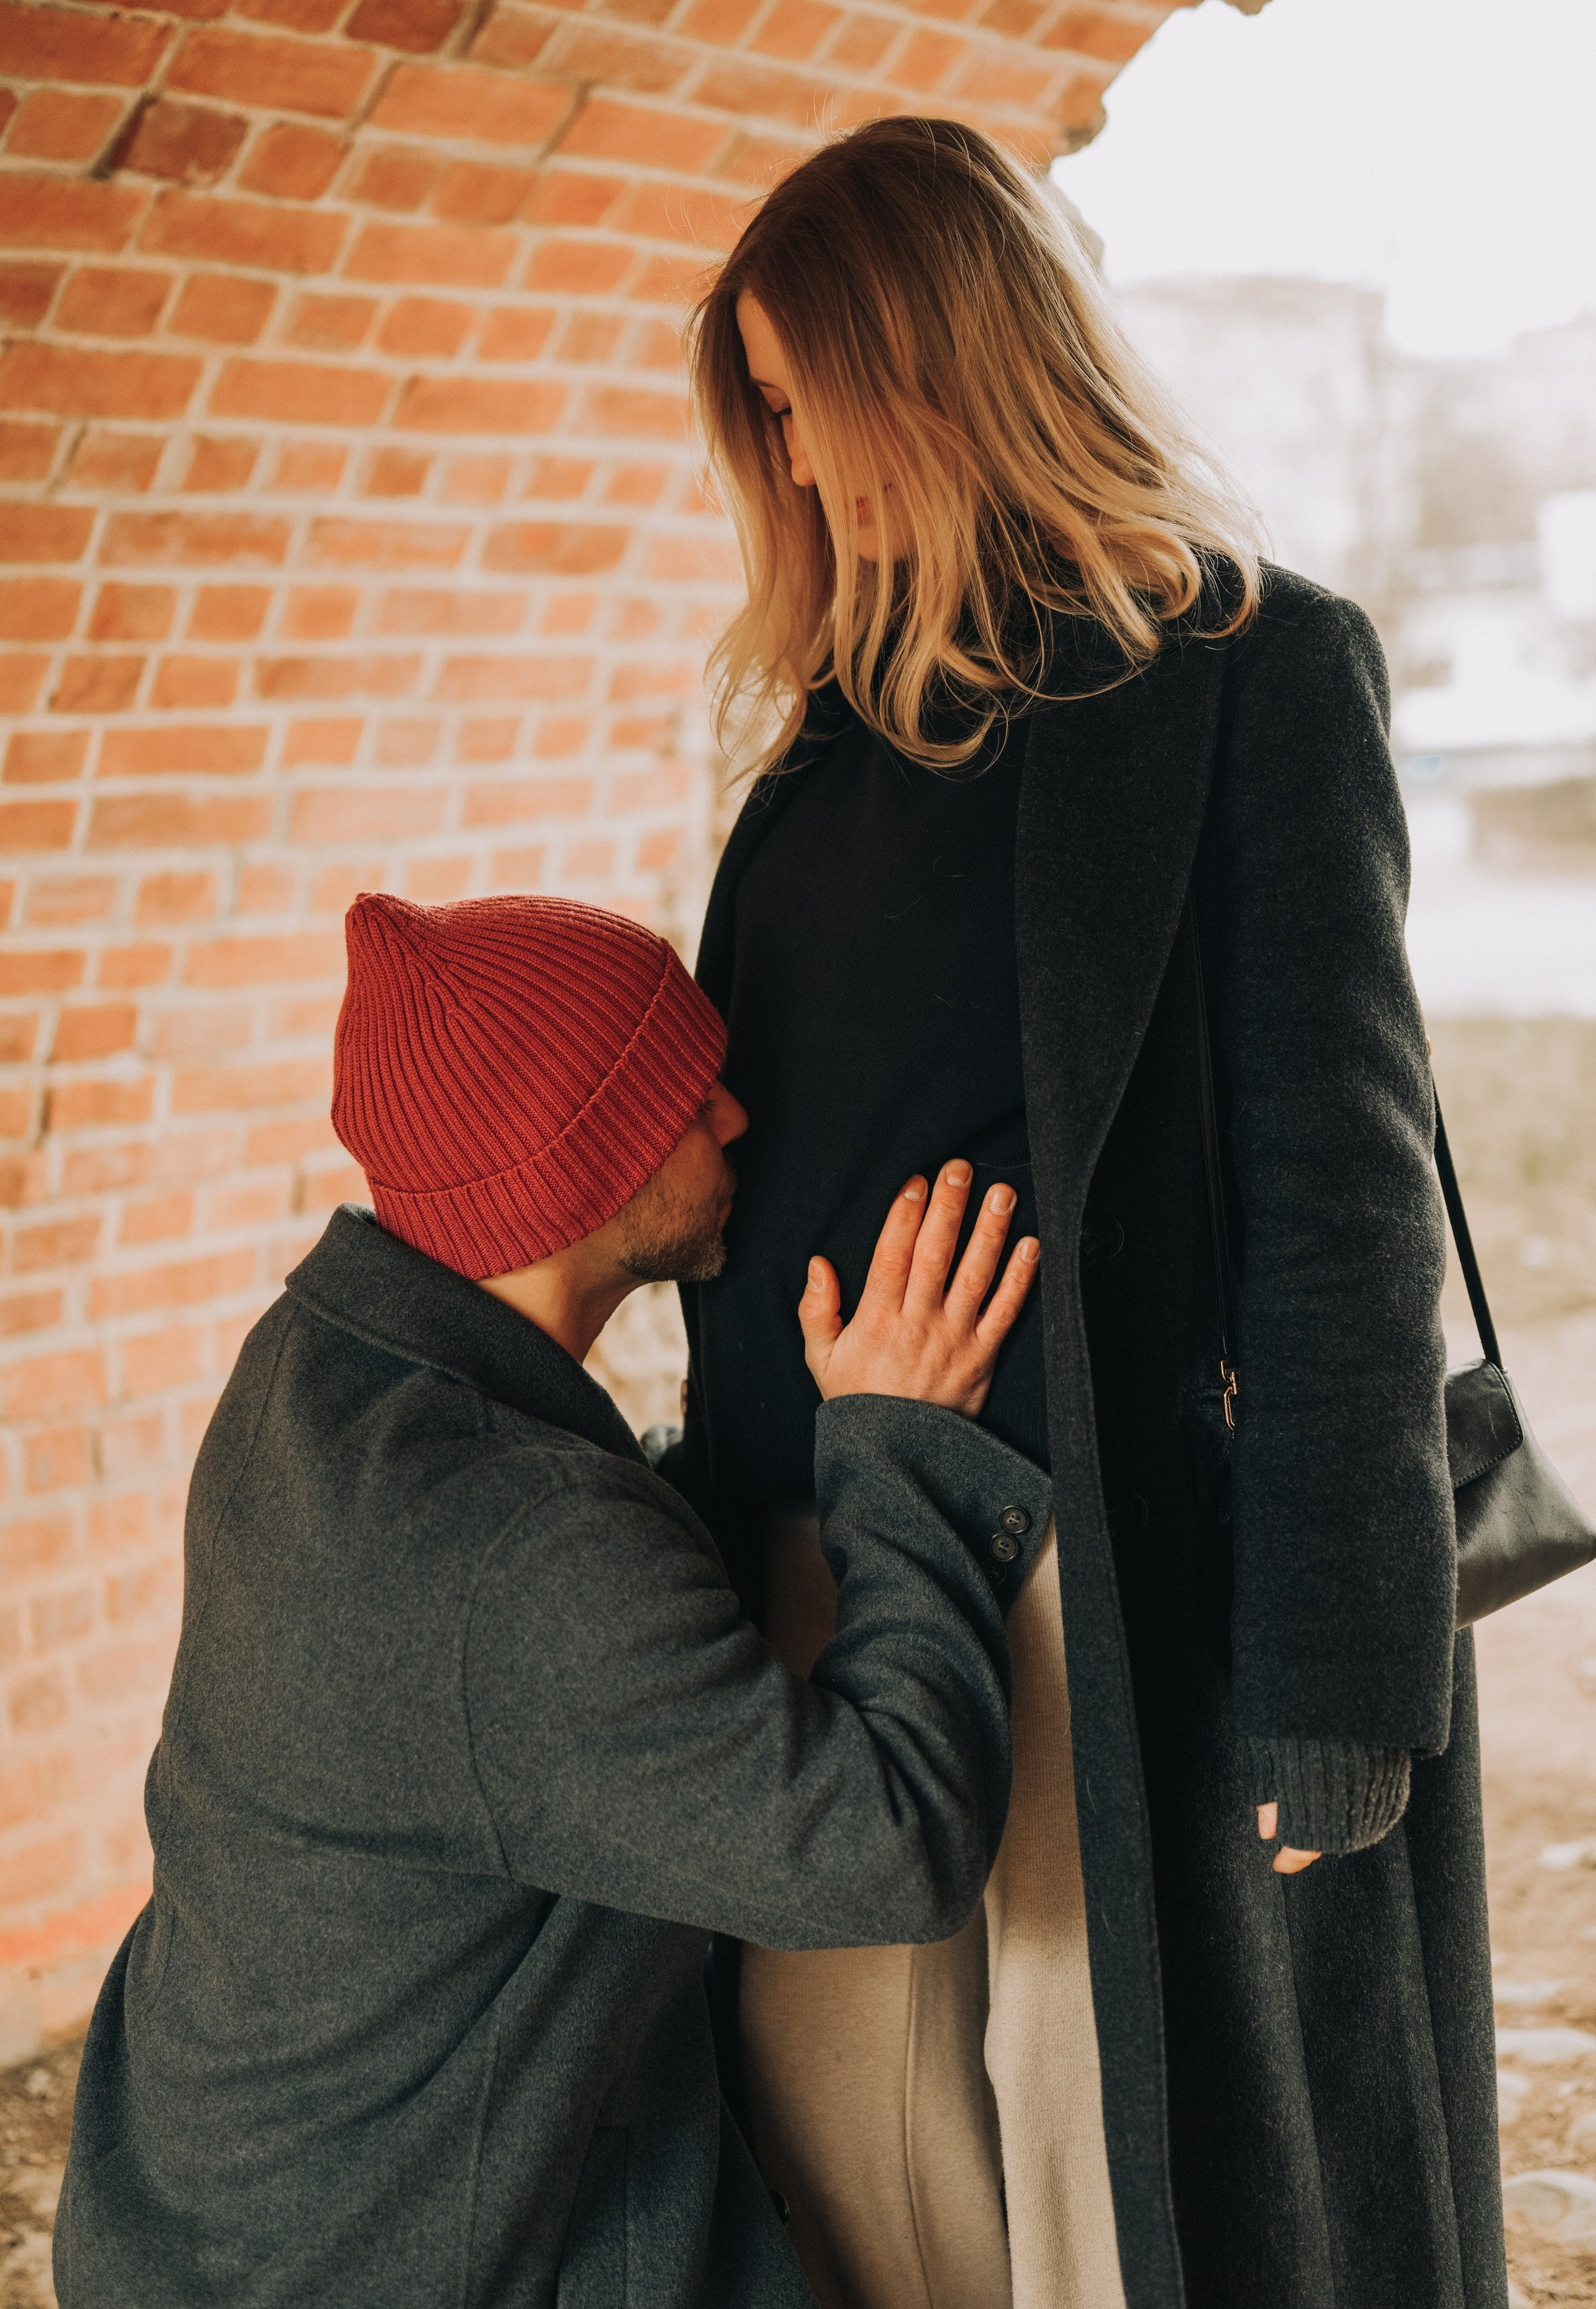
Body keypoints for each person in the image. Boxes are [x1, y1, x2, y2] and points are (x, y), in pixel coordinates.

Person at [675, 117, 1506, 2309]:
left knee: (1123, 2209)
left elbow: (1350, 1202)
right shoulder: (817, 758)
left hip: (1108, 1598)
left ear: (934, 355)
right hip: (815, 1591)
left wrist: (1346, 1663)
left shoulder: (1250, 677)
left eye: (800, 391)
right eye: (754, 408)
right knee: (855, 2193)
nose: (789, 456)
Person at [54, 888, 1050, 2309]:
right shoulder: (521, 1544)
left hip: (205, 2225)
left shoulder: (314, 1370)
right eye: (680, 1097)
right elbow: (886, 1847)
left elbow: (524, 1658)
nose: (734, 1120)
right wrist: (900, 1451)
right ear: (580, 1167)